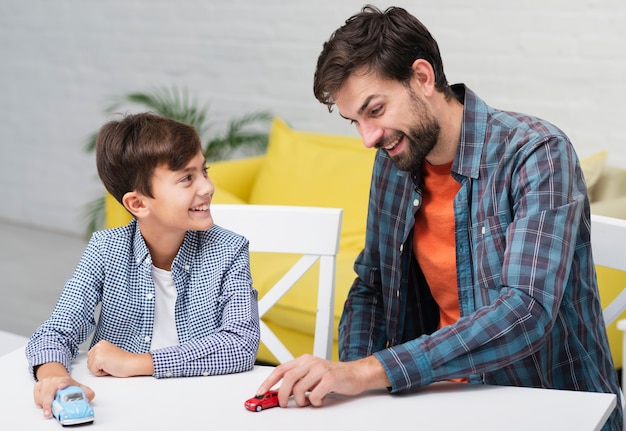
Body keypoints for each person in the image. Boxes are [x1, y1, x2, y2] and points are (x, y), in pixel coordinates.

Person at [257, 5, 622, 429]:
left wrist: (369, 372)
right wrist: (350, 379)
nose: (367, 138)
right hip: (435, 403)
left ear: (423, 77)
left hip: (547, 408)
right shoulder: (393, 162)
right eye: (354, 121)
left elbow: (525, 312)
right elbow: (373, 285)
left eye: (375, 110)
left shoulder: (537, 153)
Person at [26, 112, 260, 419]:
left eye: (204, 170)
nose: (206, 187)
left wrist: (136, 363)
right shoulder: (105, 250)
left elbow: (241, 344)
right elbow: (55, 332)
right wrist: (55, 378)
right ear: (138, 204)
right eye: (187, 178)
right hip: (123, 410)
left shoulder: (229, 250)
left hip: (204, 409)